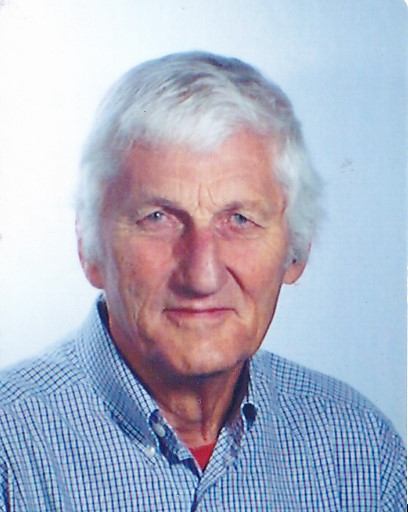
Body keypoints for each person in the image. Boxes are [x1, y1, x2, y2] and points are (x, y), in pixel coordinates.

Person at [0, 52, 405, 511]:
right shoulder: (10, 450)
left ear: (297, 250)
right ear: (89, 248)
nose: (202, 275)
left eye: (240, 219)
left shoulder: (360, 450)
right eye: (158, 218)